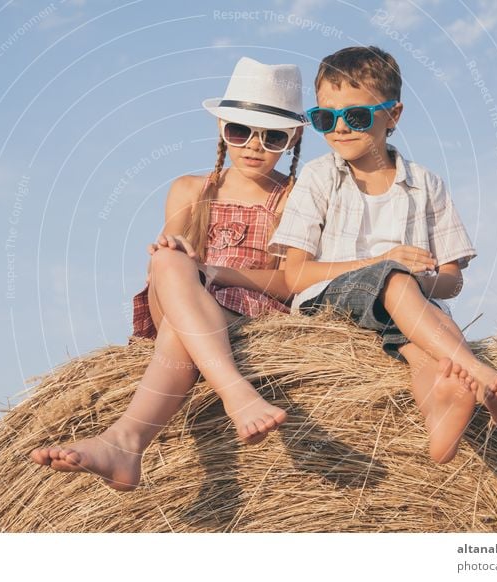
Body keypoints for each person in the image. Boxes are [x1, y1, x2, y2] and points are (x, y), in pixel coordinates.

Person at [30, 57, 306, 489]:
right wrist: (174, 253)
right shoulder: (189, 190)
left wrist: (217, 272)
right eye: (240, 131)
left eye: (272, 137)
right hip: (180, 296)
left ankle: (125, 441)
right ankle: (236, 392)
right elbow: (162, 273)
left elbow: (293, 281)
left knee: (186, 326)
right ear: (221, 128)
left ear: (293, 139)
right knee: (168, 261)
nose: (254, 145)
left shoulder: (295, 200)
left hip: (247, 315)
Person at [269, 46, 497, 464]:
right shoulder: (318, 177)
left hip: (410, 309)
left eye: (356, 116)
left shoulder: (427, 184)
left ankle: (443, 414)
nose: (339, 128)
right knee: (392, 278)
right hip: (329, 307)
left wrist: (419, 282)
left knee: (430, 357)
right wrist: (385, 267)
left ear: (394, 115)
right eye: (324, 117)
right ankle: (483, 377)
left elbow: (452, 279)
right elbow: (295, 275)